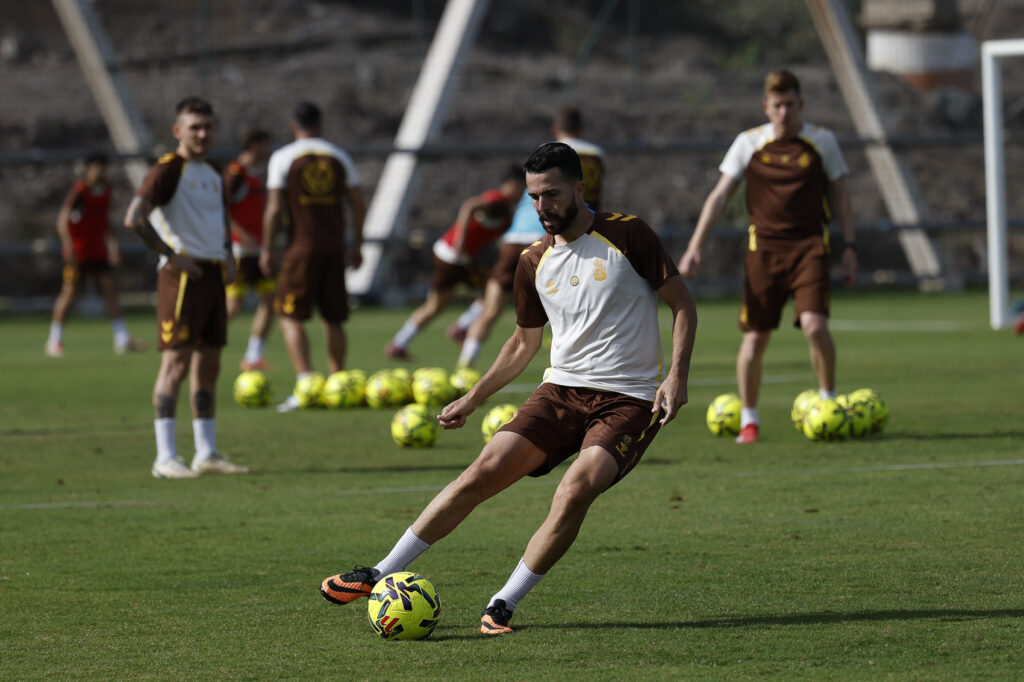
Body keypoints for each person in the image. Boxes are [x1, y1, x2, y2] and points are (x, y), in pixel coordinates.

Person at [320, 142, 697, 635]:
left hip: (628, 400)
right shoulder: (532, 260)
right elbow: (522, 343)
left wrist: (676, 375)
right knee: (481, 472)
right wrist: (473, 397)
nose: (542, 206)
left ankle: (503, 602)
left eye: (552, 194)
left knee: (574, 491)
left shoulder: (629, 234)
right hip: (560, 393)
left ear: (579, 189)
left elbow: (682, 304)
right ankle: (379, 571)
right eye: (534, 196)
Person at [677, 69, 857, 444]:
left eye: (790, 104)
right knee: (755, 339)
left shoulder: (822, 141)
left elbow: (841, 195)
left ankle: (828, 402)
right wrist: (695, 246)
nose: (784, 112)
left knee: (815, 326)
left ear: (801, 104)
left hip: (810, 248)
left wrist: (850, 247)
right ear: (766, 107)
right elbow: (720, 196)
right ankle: (749, 420)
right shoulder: (749, 143)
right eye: (777, 106)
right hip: (764, 253)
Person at [123, 96, 249, 479]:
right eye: (195, 127)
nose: (202, 133)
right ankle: (165, 458)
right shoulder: (167, 170)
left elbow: (220, 218)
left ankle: (206, 453)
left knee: (209, 365)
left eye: (208, 126)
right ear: (178, 130)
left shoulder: (212, 172)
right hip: (181, 278)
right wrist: (171, 256)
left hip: (212, 274)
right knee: (175, 364)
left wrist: (228, 254)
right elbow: (135, 218)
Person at [447, 105, 606, 368]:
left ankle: (464, 367)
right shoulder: (595, 156)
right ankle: (575, 359)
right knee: (571, 301)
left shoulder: (544, 152)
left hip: (513, 240)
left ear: (555, 129)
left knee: (491, 309)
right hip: (546, 238)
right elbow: (590, 200)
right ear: (582, 129)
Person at [260, 102, 366, 412]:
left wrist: (267, 249)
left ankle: (306, 385)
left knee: (289, 315)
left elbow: (274, 209)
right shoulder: (339, 156)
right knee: (333, 317)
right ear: (320, 125)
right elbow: (358, 205)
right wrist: (357, 244)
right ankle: (338, 385)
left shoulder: (283, 158)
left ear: (294, 126)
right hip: (334, 247)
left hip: (300, 248)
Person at [384, 166, 525, 360]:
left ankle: (404, 343)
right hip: (452, 256)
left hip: (460, 259)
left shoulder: (507, 213)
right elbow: (469, 206)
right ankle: (457, 329)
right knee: (445, 303)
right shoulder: (496, 199)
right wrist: (460, 239)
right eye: (522, 188)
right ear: (512, 185)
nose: (523, 194)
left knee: (474, 296)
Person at [45, 152, 147, 357]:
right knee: (70, 293)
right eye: (96, 167)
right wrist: (69, 246)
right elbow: (63, 219)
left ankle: (121, 338)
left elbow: (104, 221)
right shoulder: (80, 191)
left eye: (103, 167)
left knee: (110, 291)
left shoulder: (106, 190)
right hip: (79, 252)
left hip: (98, 251)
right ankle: (55, 339)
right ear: (89, 169)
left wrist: (113, 245)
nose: (100, 171)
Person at [223, 128, 275, 371]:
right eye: (265, 145)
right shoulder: (235, 173)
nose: (268, 150)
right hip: (240, 250)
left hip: (259, 250)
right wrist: (241, 236)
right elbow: (220, 210)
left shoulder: (256, 175)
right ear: (254, 145)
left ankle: (253, 357)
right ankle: (202, 344)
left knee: (271, 300)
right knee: (234, 305)